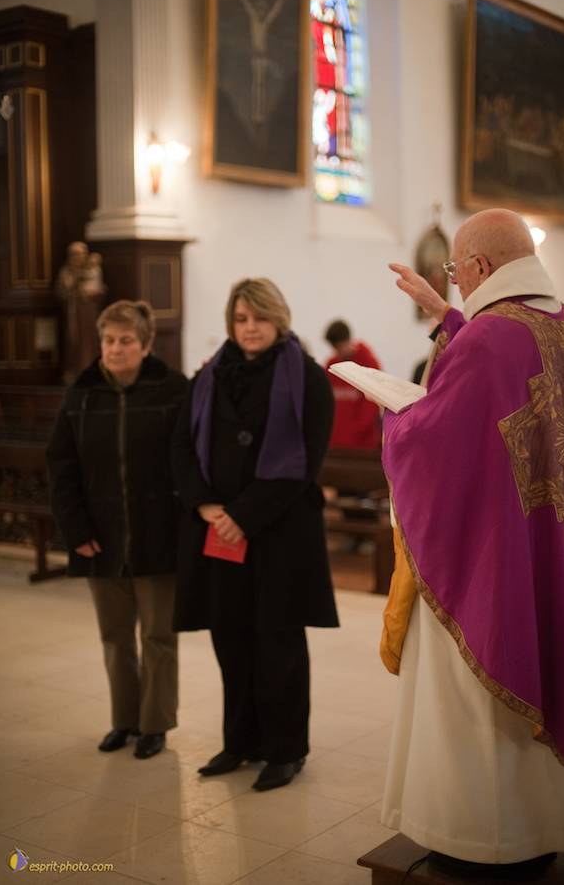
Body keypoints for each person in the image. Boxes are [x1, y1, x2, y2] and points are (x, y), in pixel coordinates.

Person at [379, 208, 564, 872]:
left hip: (492, 555)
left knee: (477, 699)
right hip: (553, 542)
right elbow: (504, 374)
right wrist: (444, 314)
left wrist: (395, 418)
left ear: (475, 267)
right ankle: (541, 827)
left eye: (455, 273)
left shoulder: (487, 339)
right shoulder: (563, 325)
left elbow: (435, 437)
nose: (456, 282)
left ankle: (482, 839)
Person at [172, 277, 339, 791]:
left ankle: (286, 750)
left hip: (281, 532)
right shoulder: (209, 375)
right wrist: (204, 502)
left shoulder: (307, 377)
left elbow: (305, 460)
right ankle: (240, 741)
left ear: (278, 319)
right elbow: (180, 445)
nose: (250, 328)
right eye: (241, 319)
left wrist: (242, 512)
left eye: (259, 318)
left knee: (278, 640)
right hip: (219, 529)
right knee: (231, 636)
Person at [46, 300, 187, 760]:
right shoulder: (81, 394)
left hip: (157, 535)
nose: (115, 349)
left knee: (159, 636)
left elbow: (189, 465)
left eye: (126, 340)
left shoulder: (172, 391)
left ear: (146, 345)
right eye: (109, 340)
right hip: (100, 536)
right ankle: (123, 720)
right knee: (114, 635)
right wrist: (75, 529)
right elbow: (61, 468)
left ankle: (155, 724)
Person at [324, 319, 381, 449]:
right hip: (335, 442)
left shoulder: (369, 364)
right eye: (334, 348)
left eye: (339, 347)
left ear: (348, 340)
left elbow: (372, 405)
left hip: (363, 444)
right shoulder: (331, 365)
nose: (337, 352)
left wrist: (354, 431)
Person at [55, 241, 106, 382]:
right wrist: (74, 286)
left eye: (82, 253)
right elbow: (62, 292)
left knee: (91, 340)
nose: (79, 257)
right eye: (75, 254)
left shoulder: (94, 270)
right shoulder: (66, 271)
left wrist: (93, 292)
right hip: (74, 311)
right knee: (75, 341)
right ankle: (74, 372)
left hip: (90, 311)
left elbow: (99, 289)